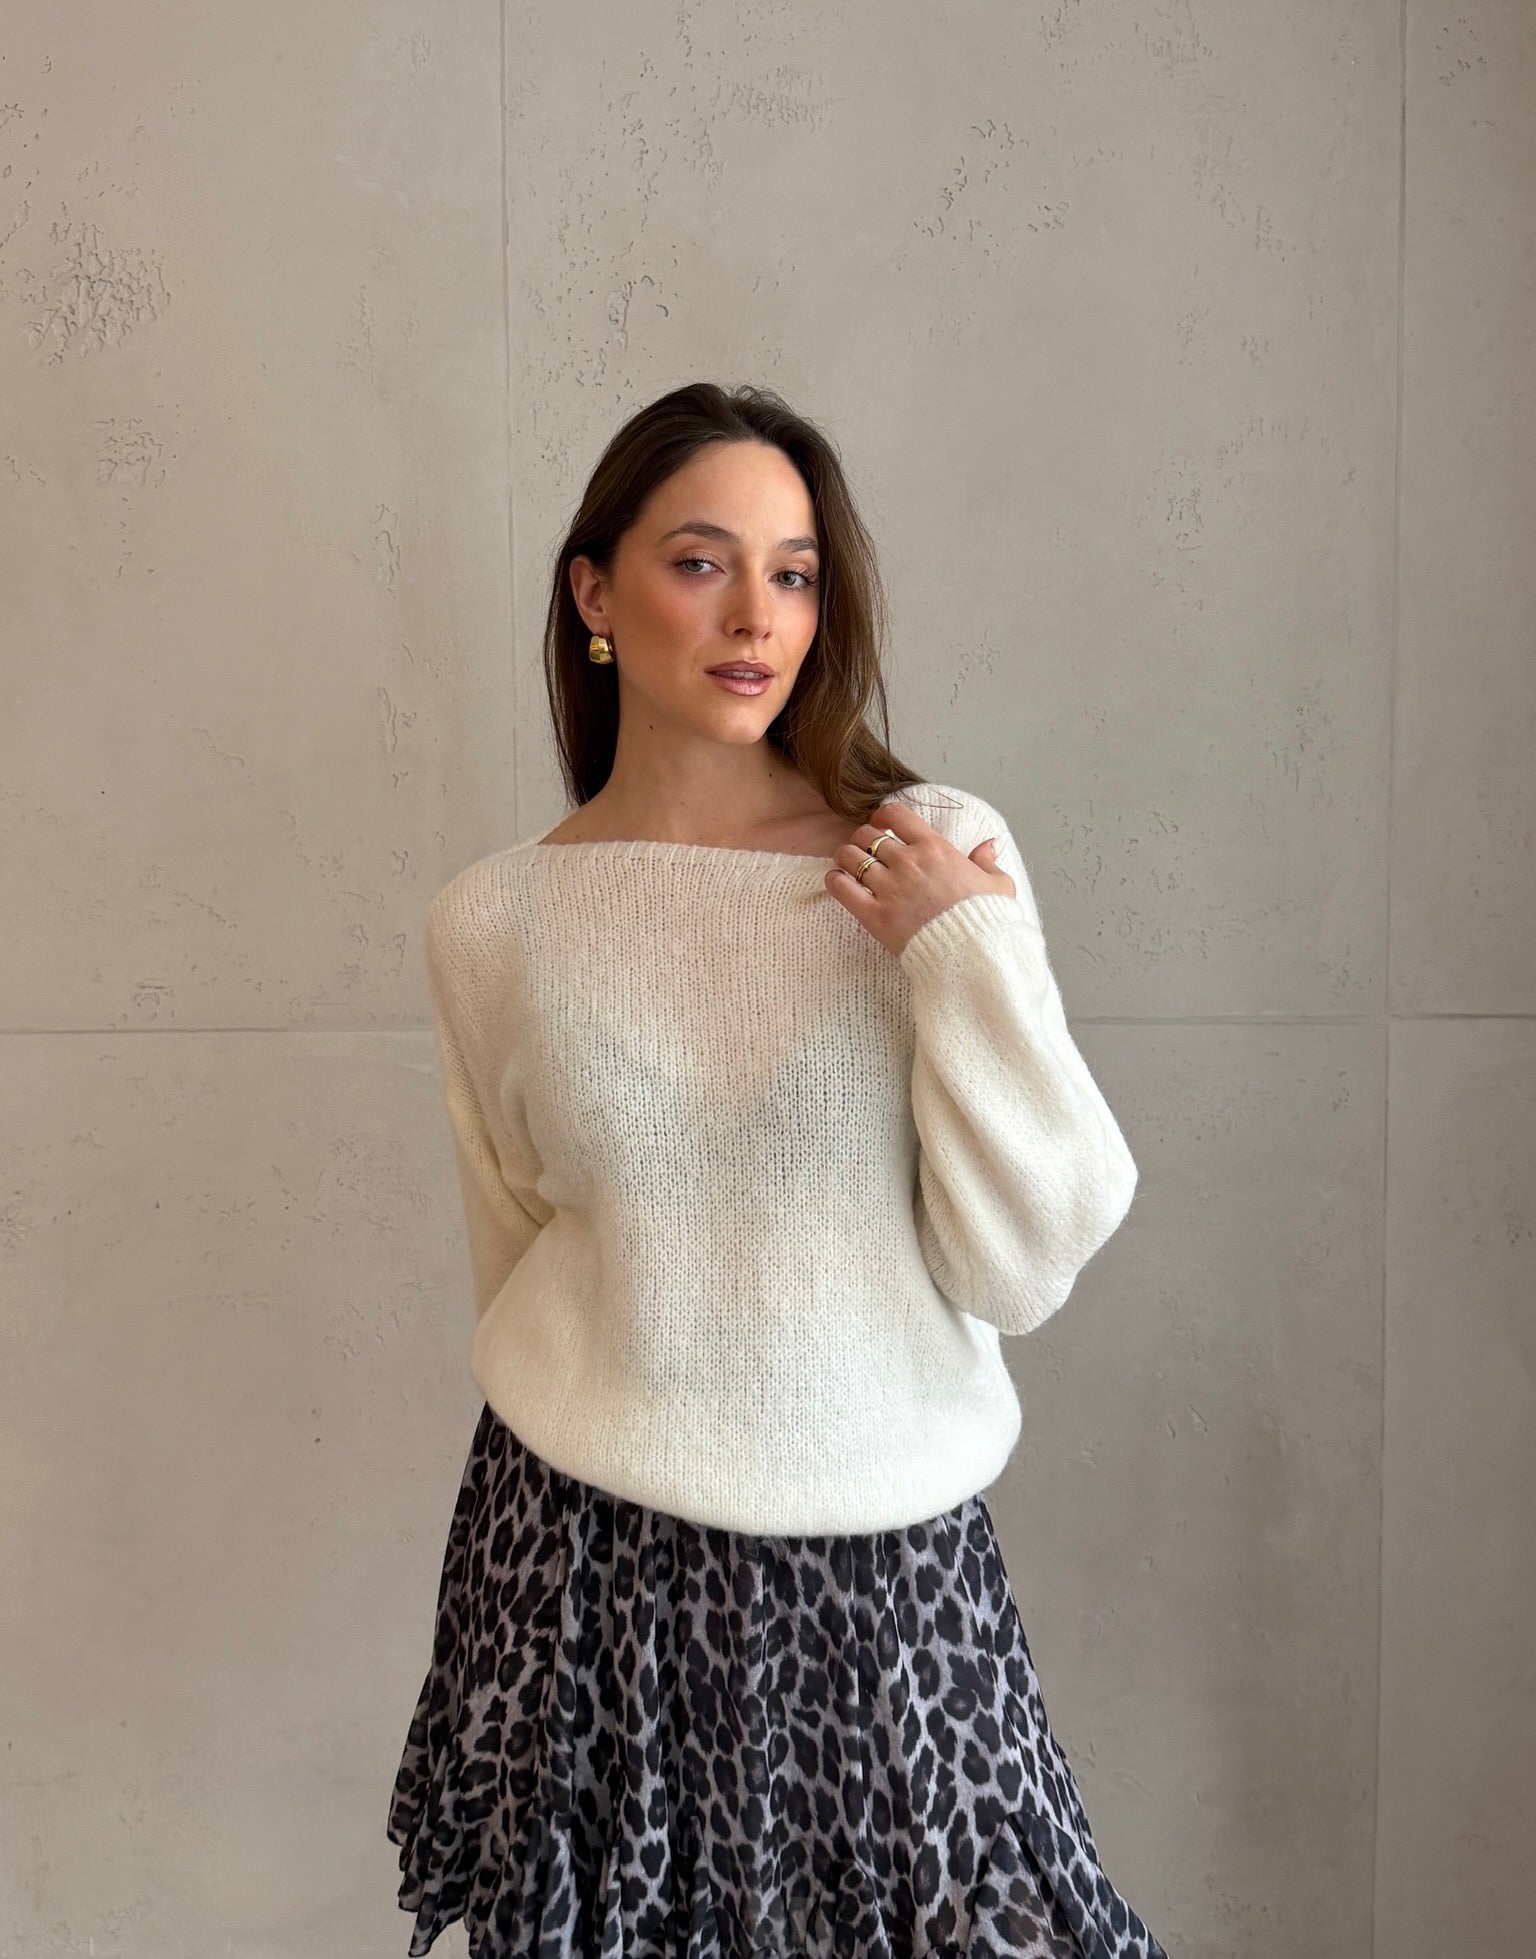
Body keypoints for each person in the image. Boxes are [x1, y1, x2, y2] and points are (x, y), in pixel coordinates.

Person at [386, 381, 1168, 1958]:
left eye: (795, 572)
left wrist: (956, 948)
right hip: (584, 1562)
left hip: (883, 1557)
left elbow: (1025, 1260)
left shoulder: (925, 850)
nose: (757, 616)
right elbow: (515, 1254)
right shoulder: (494, 923)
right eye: (702, 562)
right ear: (594, 593)